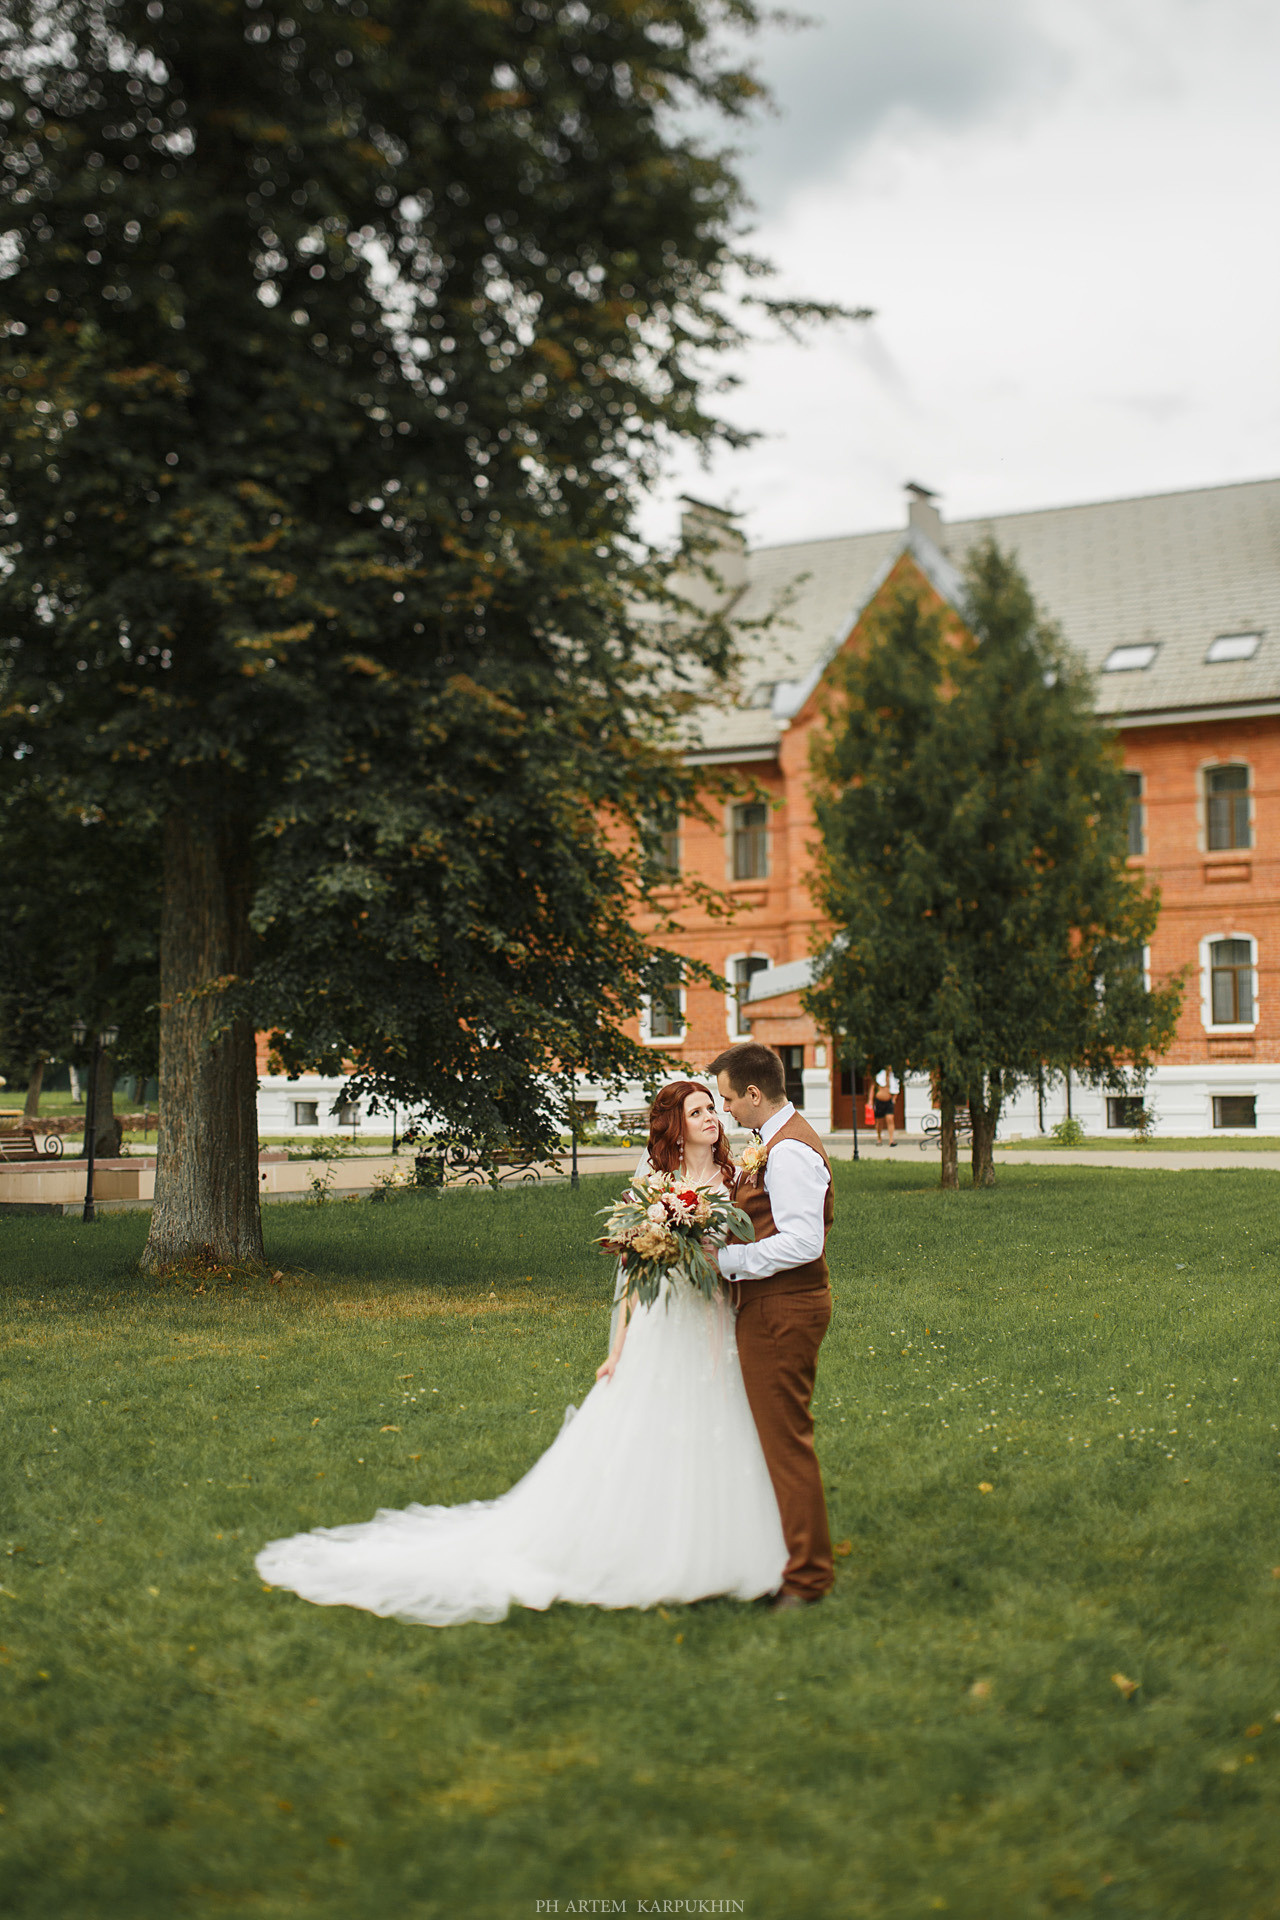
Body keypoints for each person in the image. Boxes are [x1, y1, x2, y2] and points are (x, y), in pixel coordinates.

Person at [254, 1080, 785, 1626]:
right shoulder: (651, 1182)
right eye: (697, 1111)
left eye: (711, 1110)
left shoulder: (735, 1178)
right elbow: (629, 1270)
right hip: (663, 1318)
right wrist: (618, 1347)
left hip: (714, 1313)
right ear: (674, 1125)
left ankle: (717, 1544)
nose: (711, 1118)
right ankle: (648, 1545)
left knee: (715, 1418)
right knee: (655, 1423)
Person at [706, 1041, 836, 1611]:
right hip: (772, 1305)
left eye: (730, 1100)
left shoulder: (789, 1153)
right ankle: (781, 1557)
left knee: (786, 1444)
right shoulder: (772, 1142)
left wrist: (725, 1263)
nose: (726, 1111)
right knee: (776, 1440)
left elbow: (805, 1242)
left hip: (782, 1310)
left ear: (755, 1095)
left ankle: (807, 1579)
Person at [872, 1066, 900, 1146]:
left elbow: (896, 1089)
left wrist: (894, 1099)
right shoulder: (879, 1076)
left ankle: (891, 1140)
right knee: (879, 1121)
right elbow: (873, 1087)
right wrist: (870, 1100)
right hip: (879, 1101)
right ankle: (879, 1138)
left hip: (888, 1101)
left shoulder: (893, 1078)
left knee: (890, 1119)